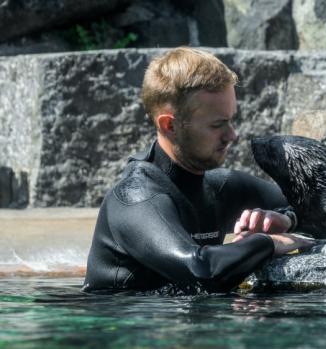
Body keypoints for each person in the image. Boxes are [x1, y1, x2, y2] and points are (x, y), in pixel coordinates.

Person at [82, 47, 311, 293]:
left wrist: (287, 219)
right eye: (217, 125)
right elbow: (201, 269)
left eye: (231, 120)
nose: (232, 135)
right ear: (170, 125)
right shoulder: (136, 199)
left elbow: (318, 206)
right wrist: (269, 242)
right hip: (124, 325)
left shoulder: (219, 187)